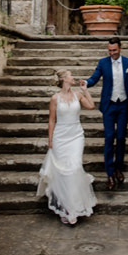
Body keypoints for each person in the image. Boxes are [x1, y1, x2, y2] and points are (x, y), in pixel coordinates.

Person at [37, 70, 97, 225]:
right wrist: (50, 140)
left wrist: (85, 91)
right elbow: (51, 120)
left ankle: (76, 205)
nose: (74, 77)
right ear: (64, 79)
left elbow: (91, 106)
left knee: (75, 167)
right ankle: (67, 208)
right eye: (71, 75)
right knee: (62, 173)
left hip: (76, 136)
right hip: (60, 137)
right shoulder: (55, 98)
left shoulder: (78, 95)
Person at [84, 36, 128, 191]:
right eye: (110, 51)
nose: (112, 53)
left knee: (121, 138)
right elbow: (95, 78)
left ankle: (118, 168)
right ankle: (109, 173)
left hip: (124, 105)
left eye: (114, 50)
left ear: (120, 48)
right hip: (109, 105)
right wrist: (86, 83)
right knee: (109, 137)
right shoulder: (103, 62)